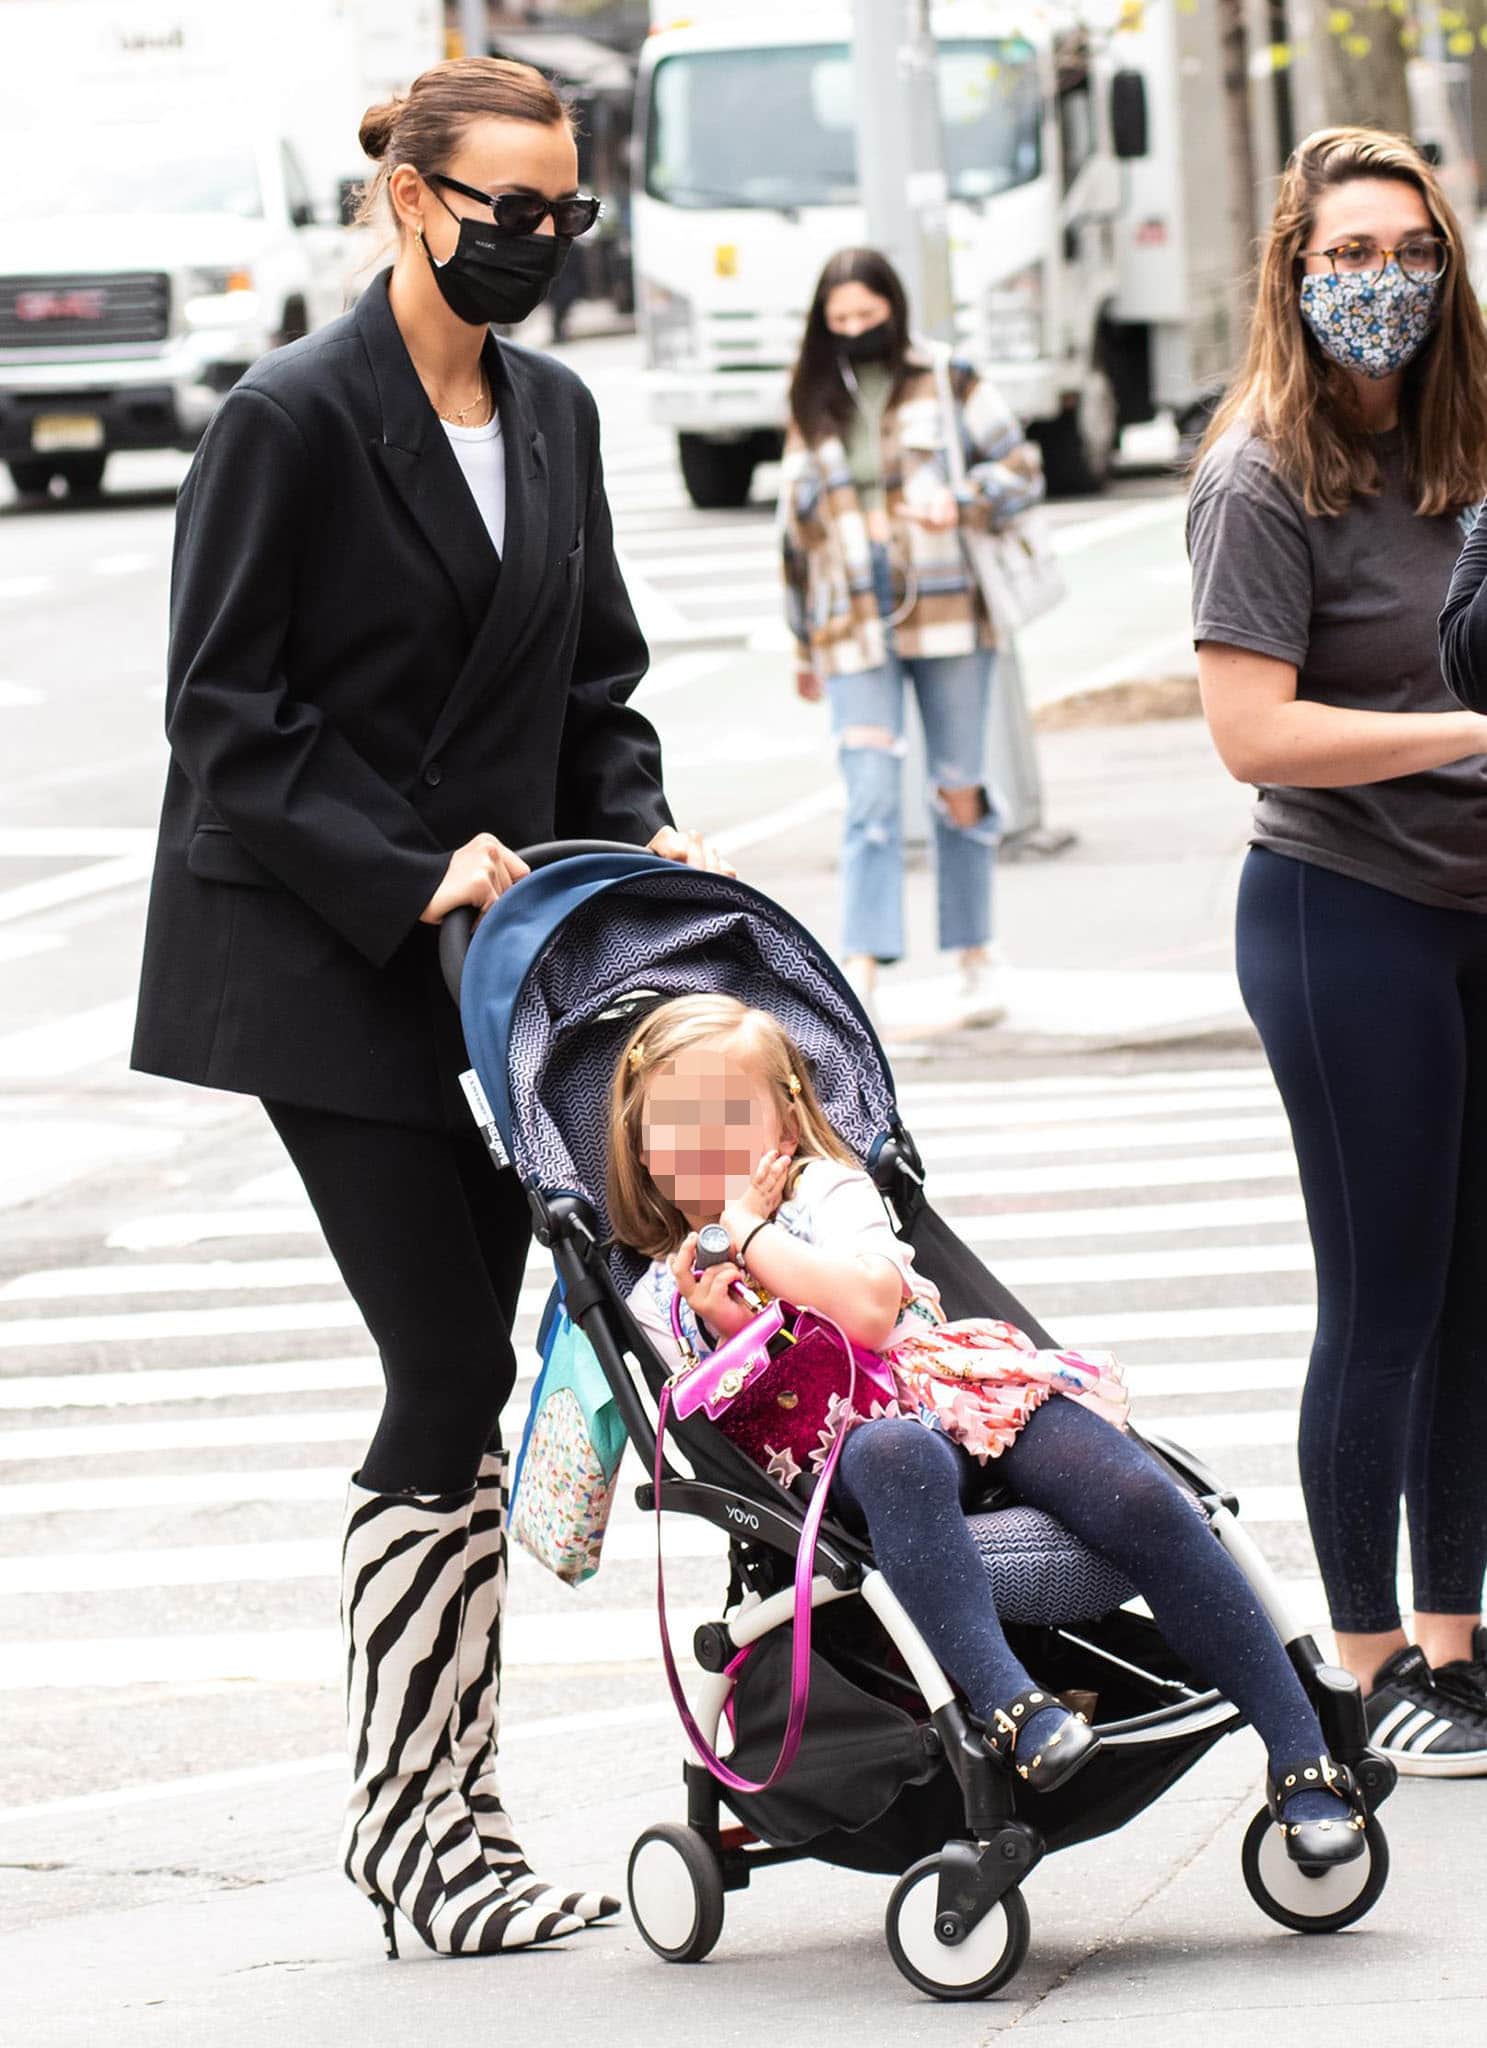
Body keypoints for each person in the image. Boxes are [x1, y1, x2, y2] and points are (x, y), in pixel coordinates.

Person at [131, 56, 729, 1959]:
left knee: (484, 1374)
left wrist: (636, 833)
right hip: (330, 959)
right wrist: (417, 866)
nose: (545, 246)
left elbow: (594, 687)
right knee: (447, 1371)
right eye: (513, 214)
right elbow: (227, 717)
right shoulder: (287, 421)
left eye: (572, 217)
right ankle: (416, 1826)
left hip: (512, 973)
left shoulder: (552, 414)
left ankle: (451, 1812)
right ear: (411, 200)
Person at [608, 994, 1371, 1868]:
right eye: (677, 1125)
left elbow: (864, 1309)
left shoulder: (826, 1193)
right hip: (840, 1459)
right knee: (896, 1451)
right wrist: (721, 1329)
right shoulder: (656, 1296)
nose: (704, 1144)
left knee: (1135, 1486)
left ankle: (1300, 1754)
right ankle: (1012, 1704)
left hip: (951, 1389)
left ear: (784, 1119)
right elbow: (721, 1432)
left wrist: (744, 1230)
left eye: (728, 1118)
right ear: (640, 1146)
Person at [1187, 126, 1487, 1771]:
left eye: (1408, 253)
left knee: (1474, 1301)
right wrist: (1464, 729)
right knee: (1380, 1296)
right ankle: (1367, 1669)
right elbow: (1250, 729)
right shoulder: (1255, 473)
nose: (1382, 284)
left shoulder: (1471, 447)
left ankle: (1458, 1639)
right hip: (1338, 911)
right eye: (1347, 257)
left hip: (1471, 906)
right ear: (1293, 275)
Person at [780, 247, 1043, 1025]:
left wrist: (960, 498)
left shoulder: (948, 375)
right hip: (849, 622)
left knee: (958, 785)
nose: (856, 331)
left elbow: (1021, 470)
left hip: (952, 612)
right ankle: (860, 965)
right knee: (867, 794)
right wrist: (801, 643)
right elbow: (793, 534)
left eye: (867, 316)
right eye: (841, 321)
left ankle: (973, 953)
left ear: (893, 309)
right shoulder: (809, 396)